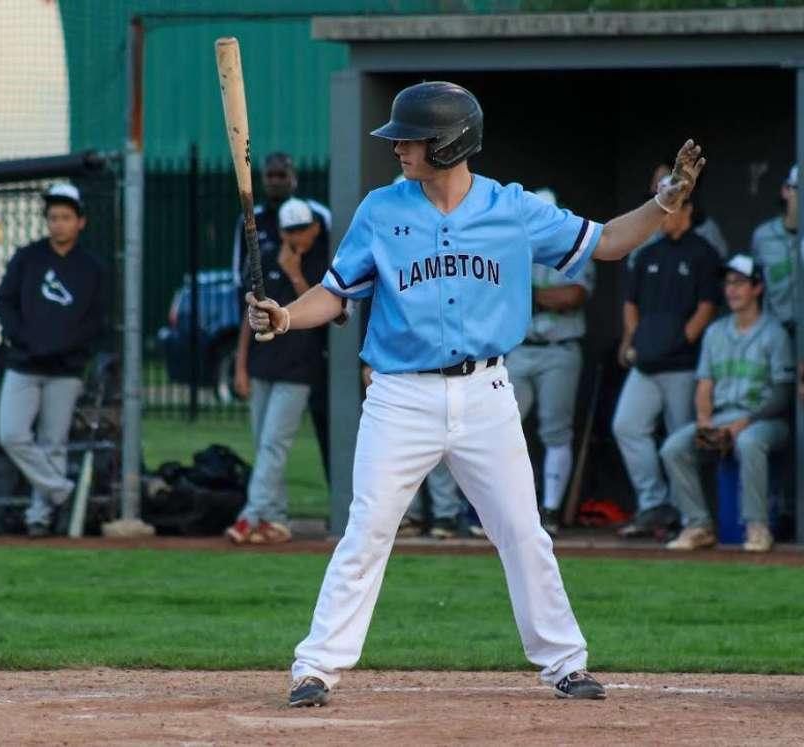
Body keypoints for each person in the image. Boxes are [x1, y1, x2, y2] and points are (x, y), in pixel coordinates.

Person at [245, 80, 706, 707]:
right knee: (368, 530)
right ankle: (316, 668)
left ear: (451, 142)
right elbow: (336, 291)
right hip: (399, 397)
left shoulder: (510, 208)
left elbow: (606, 242)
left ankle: (564, 662)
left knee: (523, 530)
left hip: (487, 392)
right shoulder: (382, 210)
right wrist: (287, 316)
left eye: (411, 139)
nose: (399, 148)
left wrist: (661, 205)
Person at [0, 183, 108, 537]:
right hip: (24, 363)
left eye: (65, 217)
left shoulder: (92, 267)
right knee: (11, 433)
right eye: (53, 217)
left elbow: (96, 318)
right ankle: (63, 493)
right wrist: (22, 338)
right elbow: (6, 300)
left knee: (53, 442)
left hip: (65, 368)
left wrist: (67, 347)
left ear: (81, 222)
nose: (58, 224)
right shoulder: (28, 257)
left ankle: (40, 518)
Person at [660, 255, 793, 553]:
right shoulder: (716, 332)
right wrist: (705, 420)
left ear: (757, 288)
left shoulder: (774, 332)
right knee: (674, 448)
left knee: (748, 442)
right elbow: (705, 384)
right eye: (728, 283)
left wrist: (743, 423)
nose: (731, 290)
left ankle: (757, 527)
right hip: (722, 416)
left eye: (740, 283)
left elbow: (782, 395)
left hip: (763, 420)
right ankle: (699, 525)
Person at [613, 194, 720, 539]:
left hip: (682, 365)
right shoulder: (647, 252)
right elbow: (631, 304)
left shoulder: (703, 252)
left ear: (688, 210)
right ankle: (654, 503)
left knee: (679, 441)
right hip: (646, 364)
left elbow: (707, 307)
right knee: (627, 425)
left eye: (671, 210)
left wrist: (680, 341)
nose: (663, 217)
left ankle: (686, 513)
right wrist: (634, 340)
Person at [227, 198, 329, 544]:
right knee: (263, 444)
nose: (298, 236)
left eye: (303, 228)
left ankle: (251, 515)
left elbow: (321, 311)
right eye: (291, 230)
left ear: (316, 227)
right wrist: (240, 366)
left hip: (298, 369)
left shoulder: (321, 260)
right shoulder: (266, 258)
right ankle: (276, 517)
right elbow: (249, 316)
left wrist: (294, 272)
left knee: (273, 443)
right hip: (262, 364)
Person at [231, 152, 333, 482]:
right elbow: (242, 282)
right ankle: (268, 513)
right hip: (268, 352)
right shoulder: (253, 218)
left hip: (309, 351)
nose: (275, 181)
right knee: (265, 441)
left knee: (322, 426)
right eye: (269, 175)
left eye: (281, 175)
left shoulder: (320, 217)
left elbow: (330, 290)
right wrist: (241, 362)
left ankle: (260, 512)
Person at [505, 188, 595, 536]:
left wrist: (529, 296)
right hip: (520, 348)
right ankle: (509, 509)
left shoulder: (573, 246)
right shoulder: (514, 246)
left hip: (560, 349)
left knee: (555, 430)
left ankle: (552, 509)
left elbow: (572, 297)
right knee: (502, 427)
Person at [749, 164, 798, 330]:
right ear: (786, 190)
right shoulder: (763, 236)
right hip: (776, 330)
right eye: (799, 189)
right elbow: (755, 285)